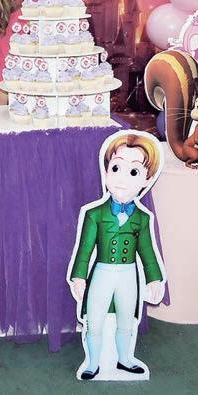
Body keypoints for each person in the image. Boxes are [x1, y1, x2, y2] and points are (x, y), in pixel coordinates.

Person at [68, 131, 166, 380]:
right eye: (116, 168)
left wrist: (155, 279)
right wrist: (78, 277)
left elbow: (147, 252)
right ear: (106, 170)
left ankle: (125, 359)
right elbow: (84, 249)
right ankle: (92, 363)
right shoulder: (94, 214)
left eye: (133, 171)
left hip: (128, 275)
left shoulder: (142, 218)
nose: (122, 178)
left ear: (146, 179)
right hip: (101, 274)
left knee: (127, 319)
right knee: (94, 319)